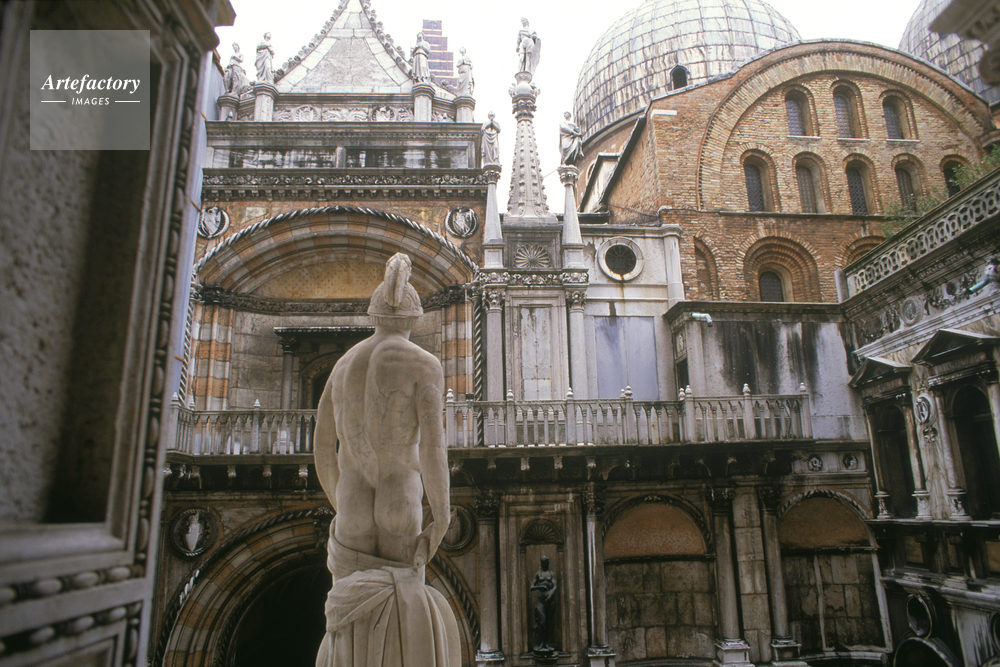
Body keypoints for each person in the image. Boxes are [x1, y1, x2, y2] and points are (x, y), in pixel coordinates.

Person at [314, 253, 459, 667]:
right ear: (412, 317)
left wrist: (340, 502)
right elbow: (432, 448)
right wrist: (442, 515)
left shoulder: (342, 366)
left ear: (374, 314)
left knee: (349, 626)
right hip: (400, 496)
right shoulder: (423, 364)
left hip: (351, 502)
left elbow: (322, 448)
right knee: (401, 613)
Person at [530, 555, 557, 653]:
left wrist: (550, 596)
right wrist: (541, 586)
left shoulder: (551, 574)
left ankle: (546, 643)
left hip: (550, 600)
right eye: (542, 562)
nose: (544, 564)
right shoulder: (538, 574)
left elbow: (555, 587)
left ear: (548, 563)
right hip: (541, 600)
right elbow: (532, 587)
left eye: (545, 562)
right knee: (542, 622)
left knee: (548, 623)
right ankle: (540, 643)